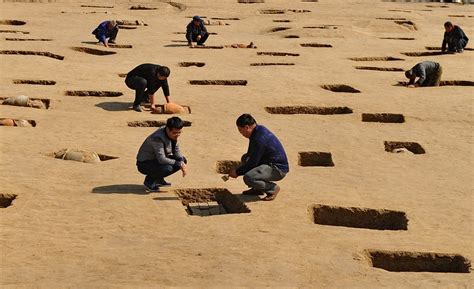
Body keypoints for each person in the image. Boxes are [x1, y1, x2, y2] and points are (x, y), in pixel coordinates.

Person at [228, 114, 289, 201]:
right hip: (268, 162)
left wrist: (237, 172)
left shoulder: (259, 138)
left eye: (240, 130)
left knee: (249, 177)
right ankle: (257, 188)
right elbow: (250, 155)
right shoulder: (258, 130)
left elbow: (253, 162)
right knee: (245, 158)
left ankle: (272, 189)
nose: (241, 133)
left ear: (247, 127)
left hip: (277, 169)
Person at [136, 117, 187, 192]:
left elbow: (176, 149)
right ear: (168, 129)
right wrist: (178, 163)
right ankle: (149, 182)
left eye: (179, 132)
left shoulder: (172, 133)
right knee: (168, 168)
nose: (177, 135)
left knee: (183, 160)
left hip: (156, 160)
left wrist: (181, 161)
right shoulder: (157, 138)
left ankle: (158, 179)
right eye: (175, 133)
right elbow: (162, 159)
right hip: (144, 163)